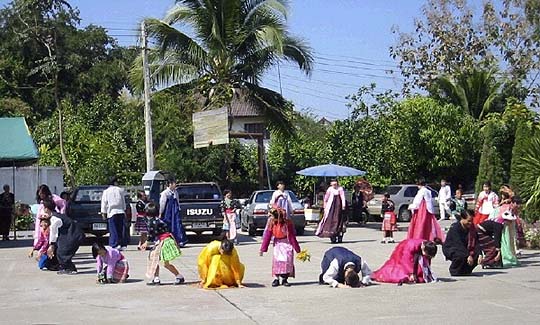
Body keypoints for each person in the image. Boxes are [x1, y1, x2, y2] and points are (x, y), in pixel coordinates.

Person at [142, 202, 185, 286]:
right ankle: (158, 278)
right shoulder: (159, 220)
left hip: (164, 242)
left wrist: (146, 243)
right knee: (161, 262)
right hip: (167, 240)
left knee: (158, 261)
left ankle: (178, 276)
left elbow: (151, 234)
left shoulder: (152, 222)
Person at [259, 208, 301, 287]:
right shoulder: (272, 223)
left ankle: (285, 279)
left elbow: (292, 237)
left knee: (287, 261)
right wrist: (263, 249)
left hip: (287, 243)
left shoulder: (288, 224)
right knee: (277, 261)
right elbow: (267, 236)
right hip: (278, 243)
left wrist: (298, 249)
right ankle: (276, 278)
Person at [43, 198, 85, 275]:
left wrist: (51, 244)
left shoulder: (54, 218)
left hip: (74, 235)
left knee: (63, 252)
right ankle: (65, 268)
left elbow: (53, 232)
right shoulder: (56, 216)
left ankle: (71, 268)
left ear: (46, 209)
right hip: (70, 235)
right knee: (60, 251)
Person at [372, 239, 438, 284]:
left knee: (419, 272)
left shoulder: (427, 246)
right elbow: (406, 261)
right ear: (424, 249)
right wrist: (411, 273)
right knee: (399, 271)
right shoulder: (411, 246)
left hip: (414, 250)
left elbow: (427, 261)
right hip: (403, 250)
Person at [442, 211, 482, 276]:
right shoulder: (455, 228)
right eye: (468, 221)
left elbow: (476, 241)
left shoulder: (472, 228)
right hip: (452, 248)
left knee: (476, 255)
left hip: (465, 248)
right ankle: (454, 270)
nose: (470, 223)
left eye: (471, 221)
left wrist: (480, 254)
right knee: (460, 255)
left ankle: (465, 270)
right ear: (462, 219)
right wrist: (468, 255)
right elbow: (458, 244)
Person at [493, 187, 520, 268]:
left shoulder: (508, 204)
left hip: (506, 224)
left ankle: (508, 256)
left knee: (507, 241)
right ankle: (509, 256)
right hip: (506, 224)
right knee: (508, 241)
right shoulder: (506, 203)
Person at [316, 179, 347, 243]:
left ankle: (339, 235)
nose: (334, 184)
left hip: (338, 208)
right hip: (331, 208)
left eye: (335, 183)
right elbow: (326, 198)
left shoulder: (340, 189)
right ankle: (332, 236)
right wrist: (325, 206)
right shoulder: (330, 189)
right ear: (331, 184)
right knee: (330, 220)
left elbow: (342, 197)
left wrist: (343, 205)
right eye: (333, 183)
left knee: (339, 220)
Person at [100, 176, 127, 250]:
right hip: (120, 211)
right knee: (120, 228)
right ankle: (121, 243)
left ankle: (114, 244)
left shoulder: (106, 191)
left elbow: (104, 203)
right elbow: (123, 201)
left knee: (113, 229)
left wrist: (103, 212)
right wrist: (124, 210)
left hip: (112, 212)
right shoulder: (120, 190)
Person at [159, 177, 187, 247]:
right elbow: (162, 203)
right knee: (168, 226)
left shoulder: (175, 192)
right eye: (174, 183)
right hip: (168, 212)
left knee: (177, 225)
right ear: (170, 184)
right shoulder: (165, 193)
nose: (175, 185)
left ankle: (179, 240)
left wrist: (179, 209)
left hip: (175, 212)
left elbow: (177, 201)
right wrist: (160, 212)